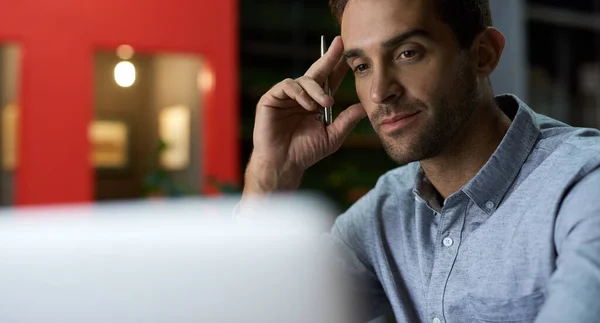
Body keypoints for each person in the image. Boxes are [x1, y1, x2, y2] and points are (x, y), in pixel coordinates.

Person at [240, 0, 600, 322]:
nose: (380, 92)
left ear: (483, 54)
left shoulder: (583, 183)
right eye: (362, 66)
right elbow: (257, 310)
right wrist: (268, 177)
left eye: (407, 53)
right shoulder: (387, 211)